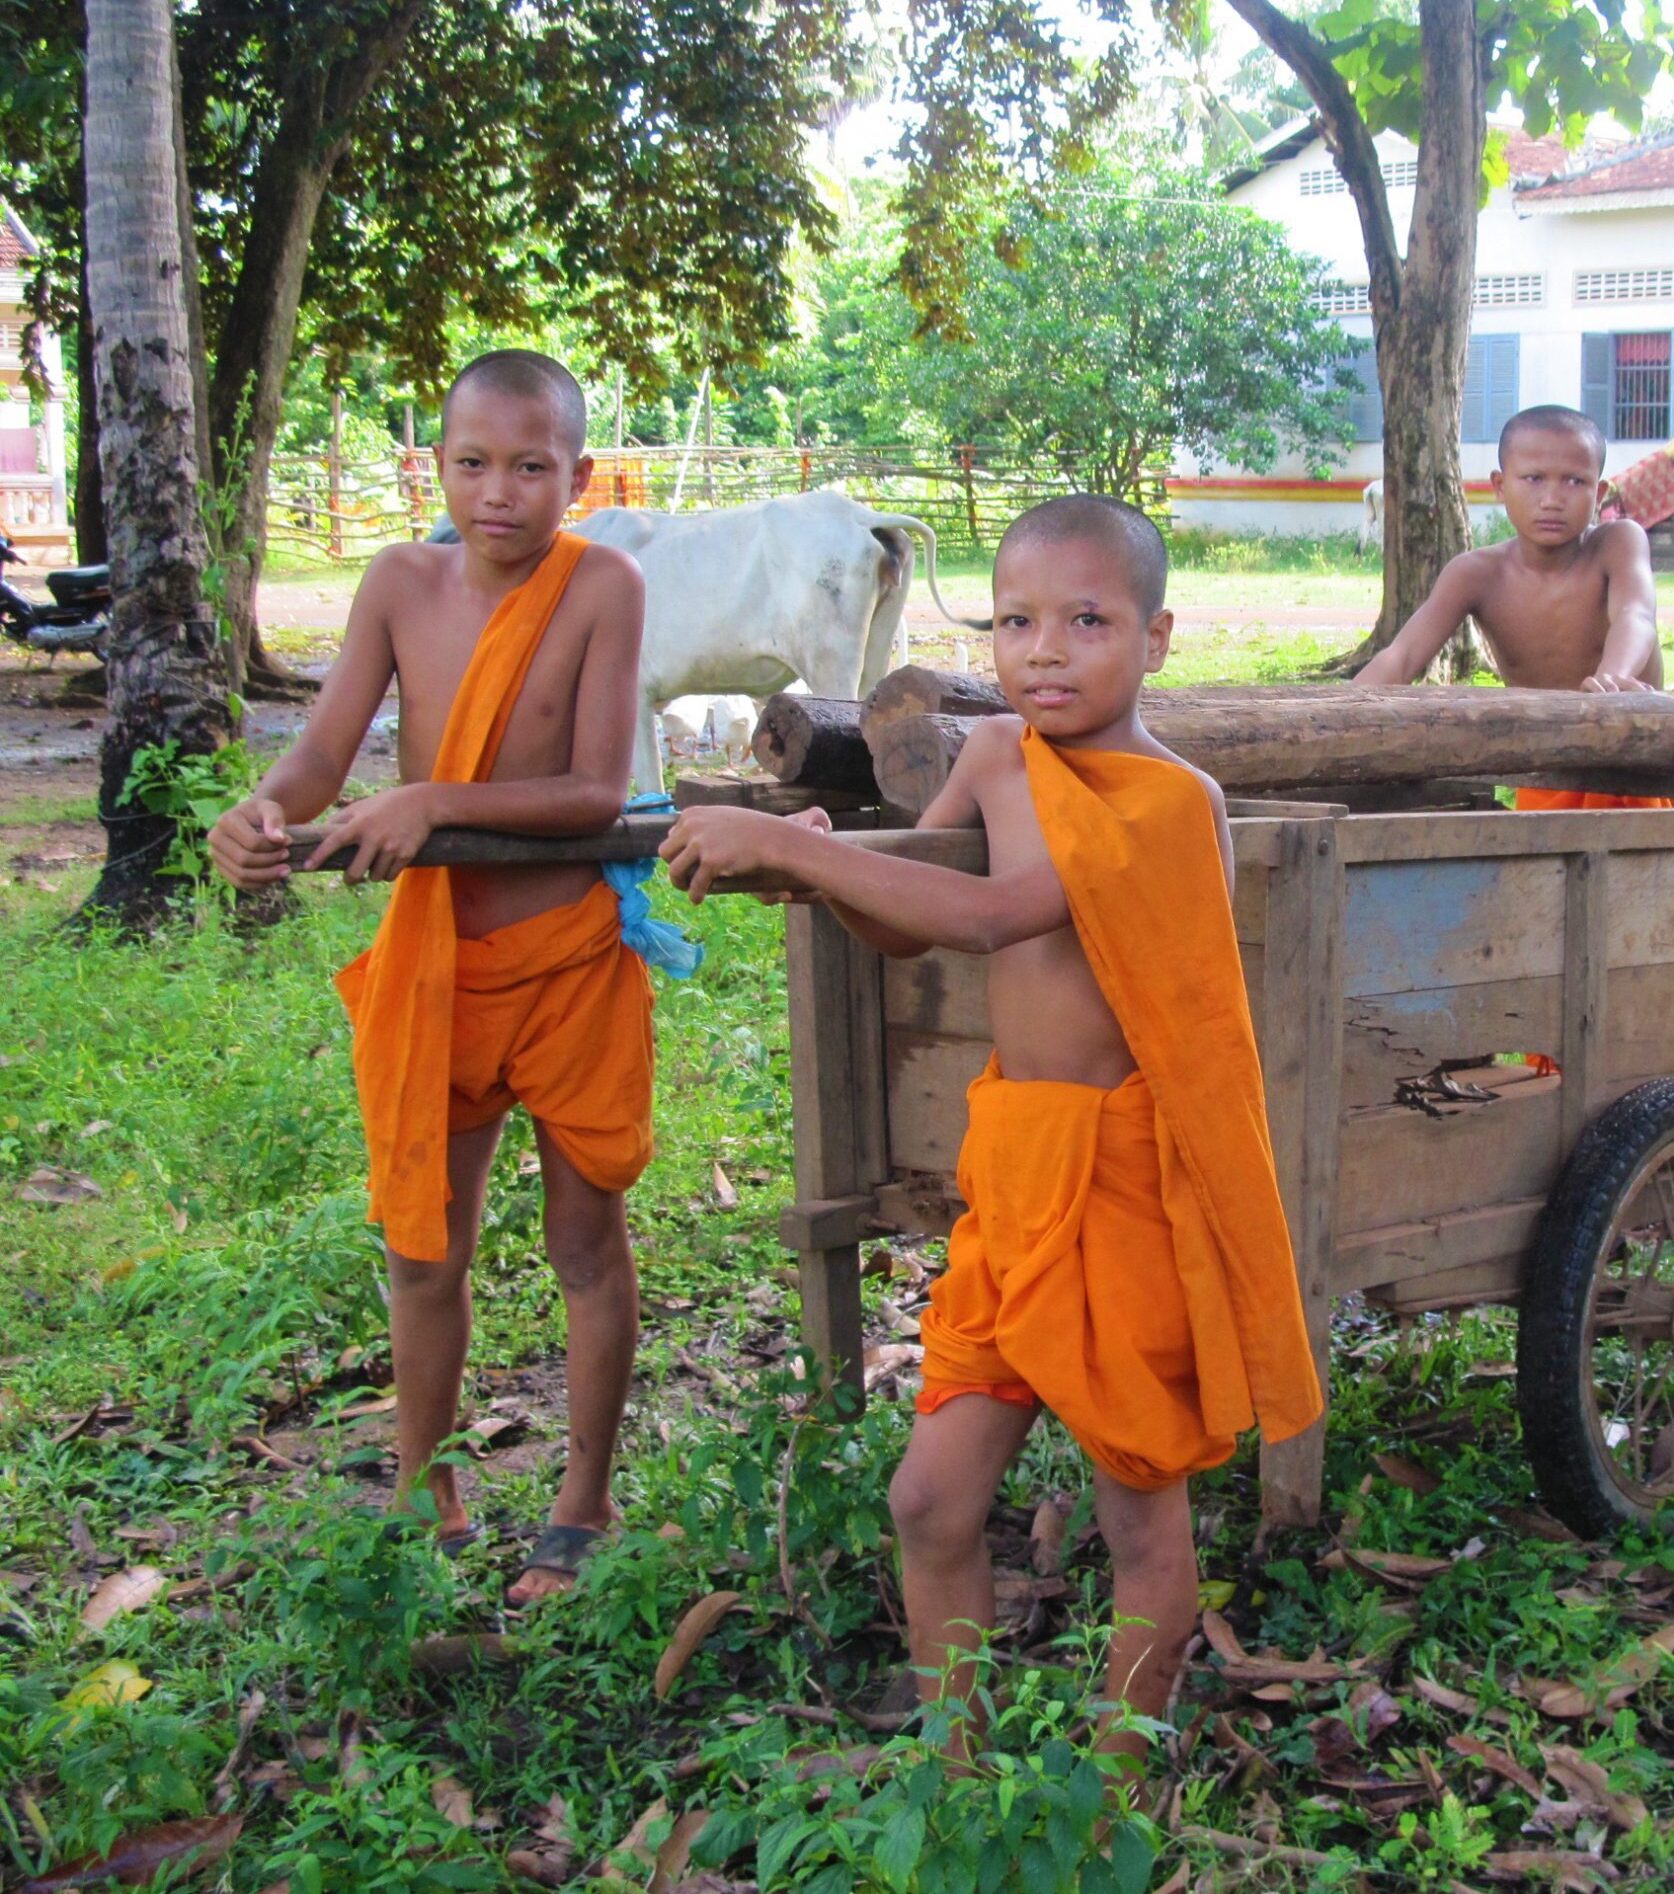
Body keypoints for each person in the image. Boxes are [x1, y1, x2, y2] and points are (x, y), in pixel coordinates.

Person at [657, 495, 1322, 1756]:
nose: (1045, 650)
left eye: (1088, 620)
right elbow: (907, 922)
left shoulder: (1172, 800)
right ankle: (956, 1774)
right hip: (1013, 1174)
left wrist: (794, 849)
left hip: (1121, 1180)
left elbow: (991, 915)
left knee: (1138, 1515)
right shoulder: (996, 757)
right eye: (1016, 622)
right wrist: (811, 864)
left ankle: (1115, 1790)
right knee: (928, 1498)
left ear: (1157, 637)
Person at [208, 349, 654, 1606]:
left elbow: (597, 791)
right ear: (436, 468)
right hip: (439, 968)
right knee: (423, 1246)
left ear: (579, 475)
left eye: (531, 467)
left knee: (584, 1242)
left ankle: (584, 1496)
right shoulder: (399, 583)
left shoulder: (602, 585)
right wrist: (262, 809)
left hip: (567, 961)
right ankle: (427, 1491)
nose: (498, 492)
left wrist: (434, 800)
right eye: (472, 464)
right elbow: (320, 754)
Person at [1356, 404, 1666, 810]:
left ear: (1600, 493)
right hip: (1548, 766)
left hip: (1629, 759)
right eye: (1534, 479)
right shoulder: (1476, 573)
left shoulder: (1617, 543)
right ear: (1500, 485)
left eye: (1575, 481)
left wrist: (1612, 680)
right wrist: (1341, 711)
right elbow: (1401, 657)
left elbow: (1635, 615)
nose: (1552, 499)